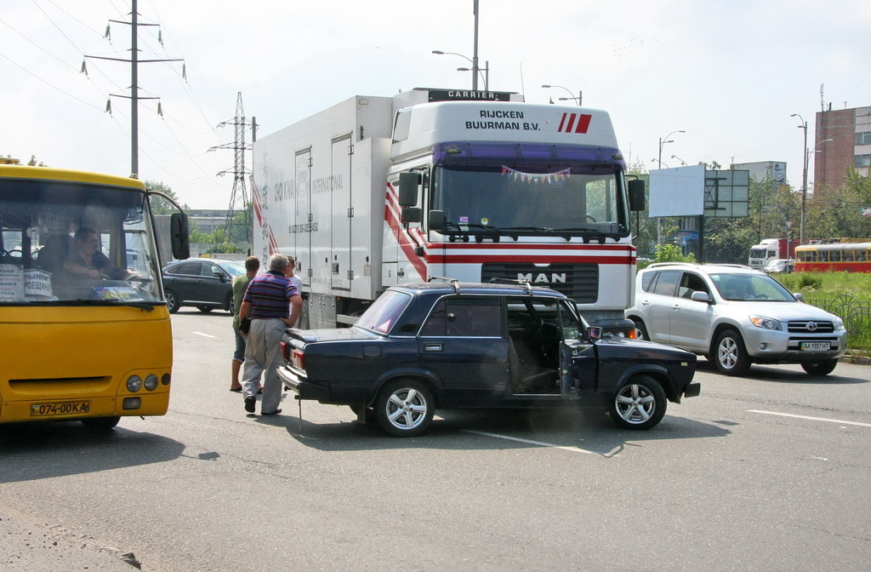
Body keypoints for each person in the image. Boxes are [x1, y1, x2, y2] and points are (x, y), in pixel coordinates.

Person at [238, 254, 302, 416]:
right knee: (274, 365)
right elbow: (297, 301)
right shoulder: (285, 283)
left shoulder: (256, 281)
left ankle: (250, 394)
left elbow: (245, 305)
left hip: (256, 323)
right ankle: (268, 407)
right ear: (285, 268)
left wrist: (243, 324)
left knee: (252, 360)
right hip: (276, 324)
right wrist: (291, 321)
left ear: (270, 265)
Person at [230, 256, 260, 392]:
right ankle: (255, 384)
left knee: (239, 352)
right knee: (253, 355)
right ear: (257, 268)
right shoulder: (253, 282)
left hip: (237, 320)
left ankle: (234, 382)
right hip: (248, 321)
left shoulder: (237, 279)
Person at [62, 227, 127, 281]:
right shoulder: (71, 254)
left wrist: (128, 274)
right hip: (73, 291)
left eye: (97, 241)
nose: (96, 245)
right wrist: (88, 271)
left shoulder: (98, 256)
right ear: (80, 242)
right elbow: (69, 265)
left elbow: (114, 270)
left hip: (97, 291)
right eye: (92, 242)